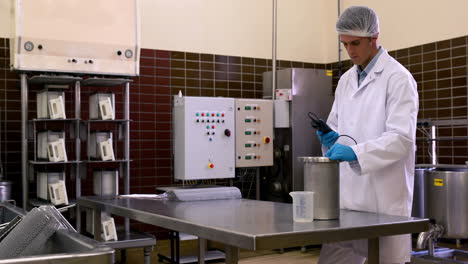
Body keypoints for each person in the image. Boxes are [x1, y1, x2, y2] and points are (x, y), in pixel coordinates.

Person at [316, 6, 419, 264]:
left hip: (381, 201)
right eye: (345, 44)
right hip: (348, 199)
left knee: (382, 258)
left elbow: (401, 139)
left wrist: (357, 152)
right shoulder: (346, 80)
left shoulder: (398, 79)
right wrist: (330, 138)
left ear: (374, 38)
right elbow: (336, 125)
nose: (350, 51)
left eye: (356, 43)